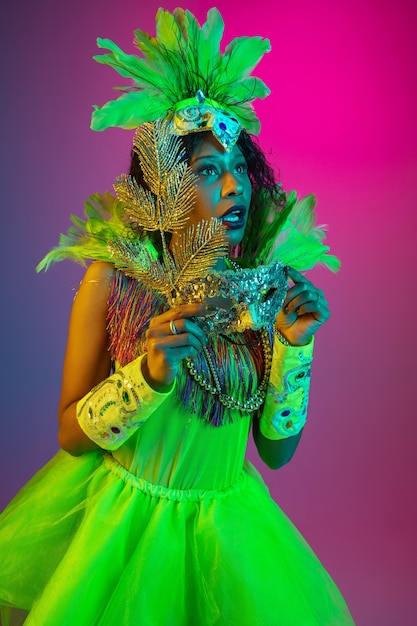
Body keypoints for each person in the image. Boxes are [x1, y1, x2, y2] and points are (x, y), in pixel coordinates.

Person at [0, 8, 355, 625]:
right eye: (207, 170)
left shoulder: (261, 295)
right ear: (162, 187)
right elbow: (69, 434)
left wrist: (296, 347)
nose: (234, 187)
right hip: (125, 528)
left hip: (229, 526)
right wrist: (148, 376)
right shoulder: (112, 283)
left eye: (239, 167)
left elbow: (276, 453)